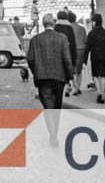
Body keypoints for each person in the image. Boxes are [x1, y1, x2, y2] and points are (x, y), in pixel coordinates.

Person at [26, 13, 73, 145]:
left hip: (42, 78)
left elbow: (30, 59)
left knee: (48, 107)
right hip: (59, 77)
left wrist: (36, 71)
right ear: (54, 23)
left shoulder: (35, 39)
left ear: (43, 23)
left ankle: (52, 133)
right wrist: (70, 77)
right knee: (57, 107)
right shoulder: (62, 38)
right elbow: (67, 59)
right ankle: (54, 133)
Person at [82, 13, 105, 104]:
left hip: (95, 57)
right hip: (104, 57)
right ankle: (103, 95)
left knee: (95, 75)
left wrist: (84, 60)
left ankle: (99, 92)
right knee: (103, 76)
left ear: (94, 22)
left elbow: (87, 47)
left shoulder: (91, 33)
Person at [54, 11, 77, 95]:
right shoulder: (70, 27)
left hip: (59, 52)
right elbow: (73, 42)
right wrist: (74, 56)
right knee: (69, 69)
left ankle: (65, 87)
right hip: (69, 51)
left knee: (61, 70)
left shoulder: (56, 27)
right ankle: (69, 85)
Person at [71, 13, 88, 95]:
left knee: (73, 70)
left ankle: (75, 87)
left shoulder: (69, 28)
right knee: (79, 70)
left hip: (72, 50)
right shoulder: (82, 28)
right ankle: (78, 87)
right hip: (81, 50)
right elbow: (85, 40)